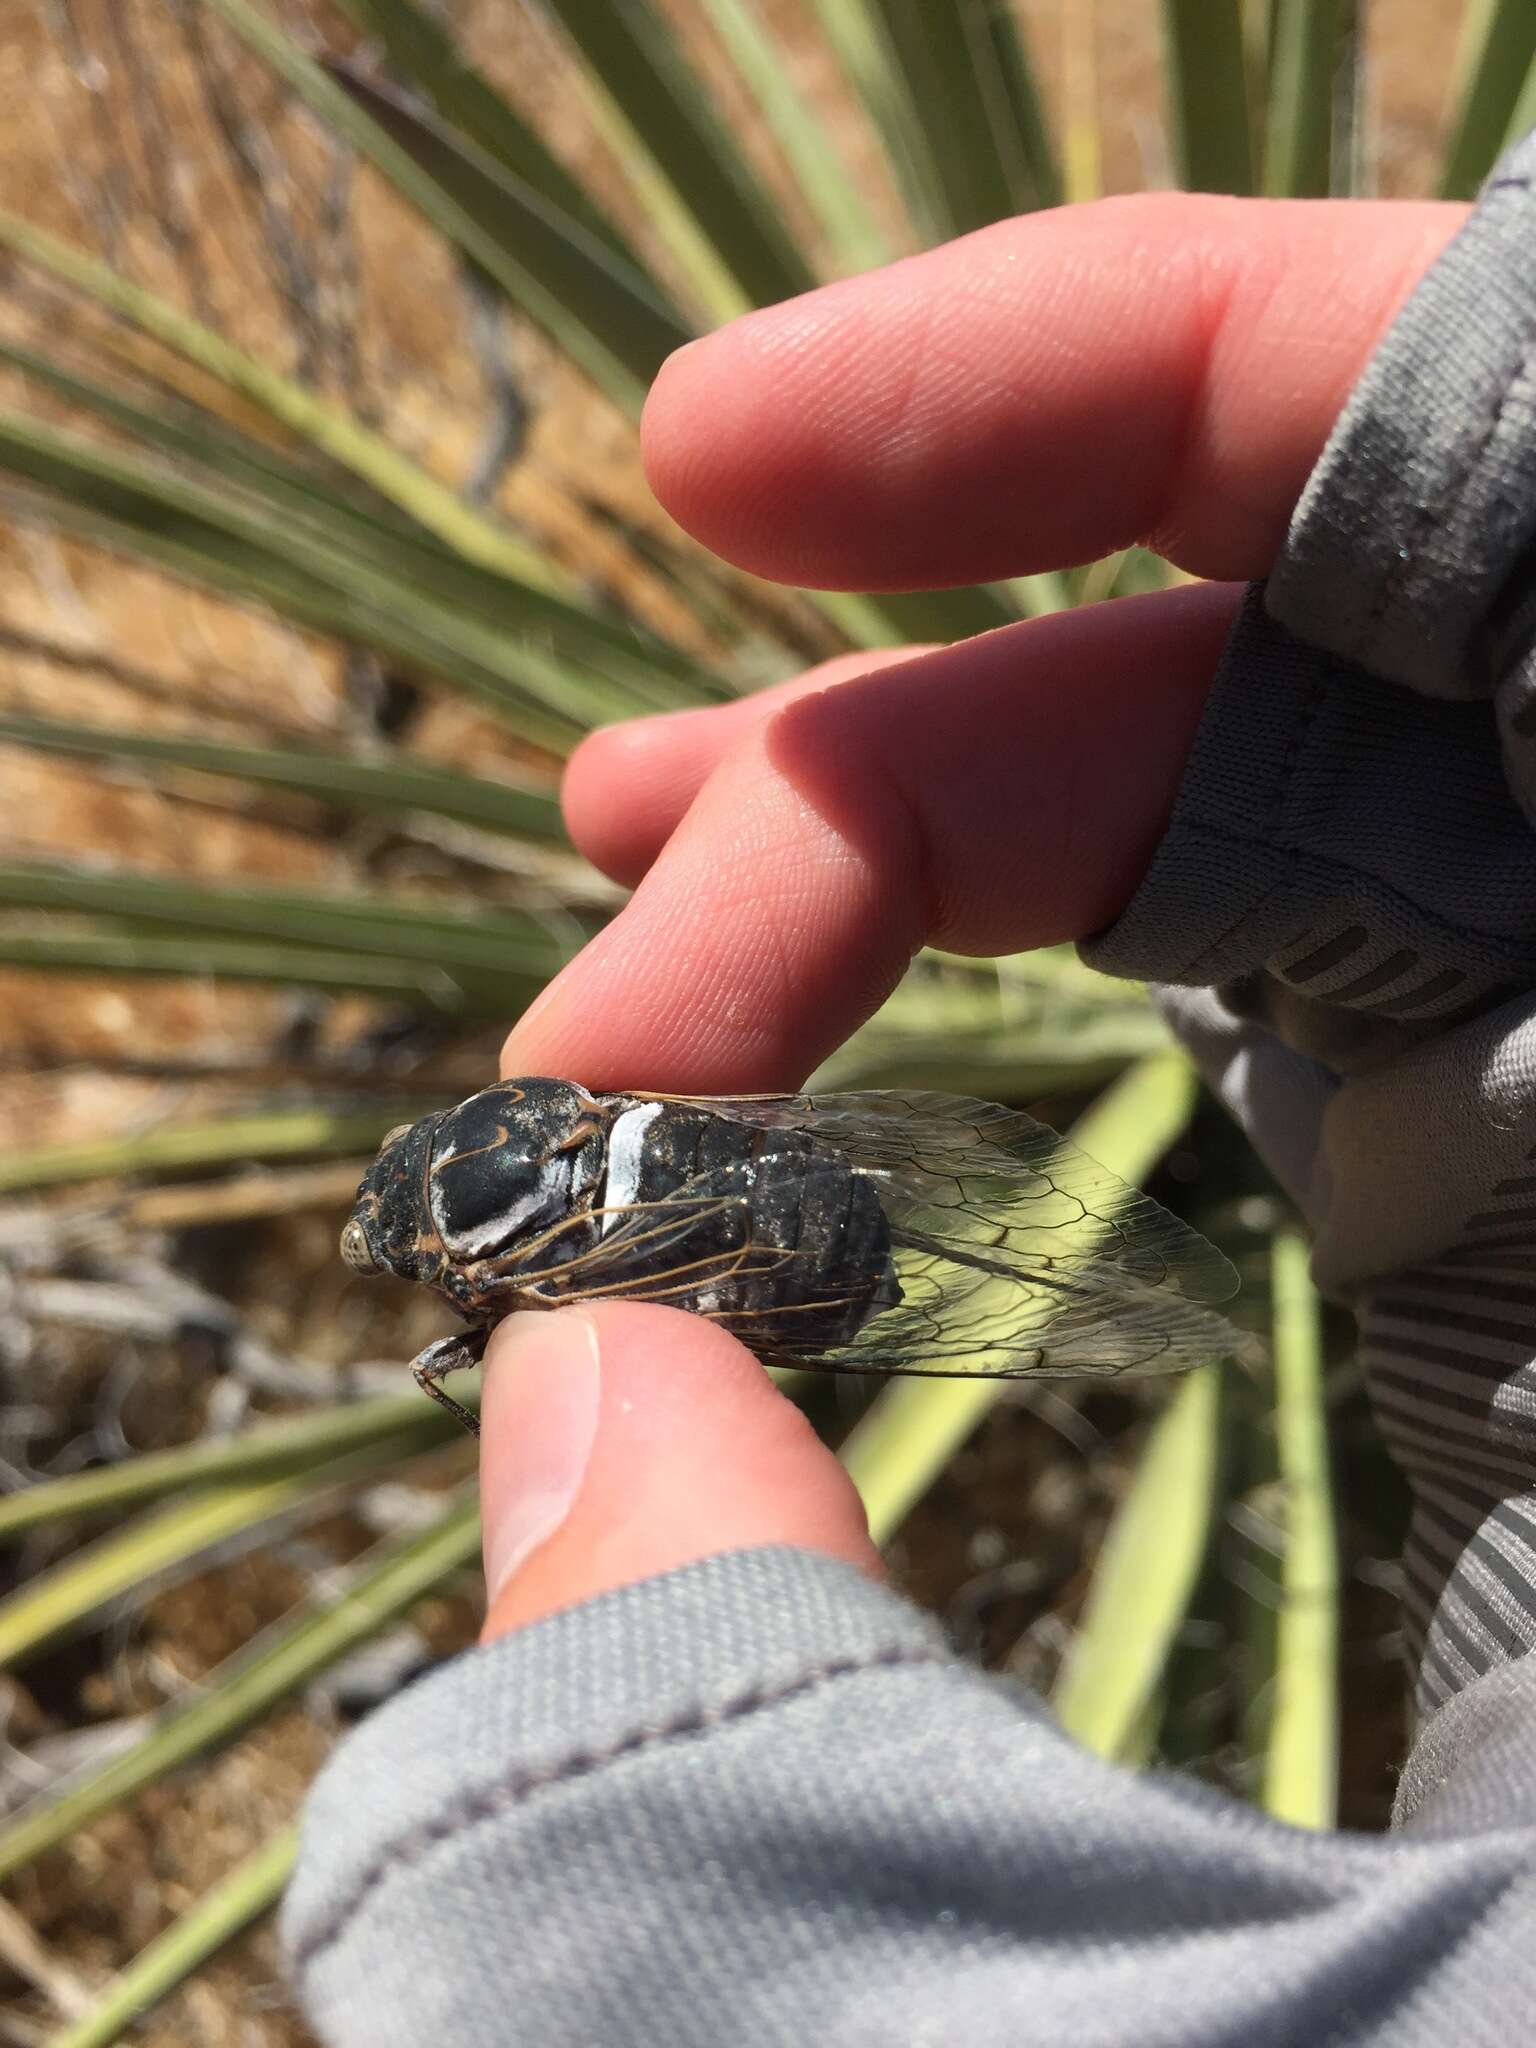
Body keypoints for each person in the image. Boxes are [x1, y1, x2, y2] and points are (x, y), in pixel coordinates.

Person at [283, 133, 1536, 2045]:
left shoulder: (523, 1250)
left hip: (789, 1237)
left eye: (431, 1224)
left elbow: (571, 1275)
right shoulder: (534, 1175)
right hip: (781, 1214)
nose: (422, 1226)